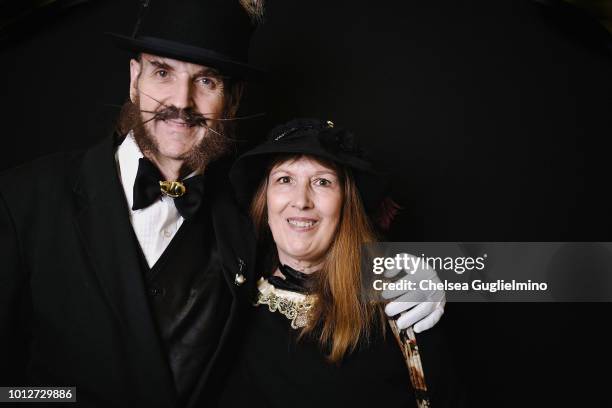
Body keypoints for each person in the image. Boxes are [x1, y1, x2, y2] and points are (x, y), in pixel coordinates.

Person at [0, 1, 444, 407]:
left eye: (206, 81)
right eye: (162, 72)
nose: (181, 101)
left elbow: (328, 256)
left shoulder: (248, 214)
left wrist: (433, 273)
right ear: (134, 79)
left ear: (232, 100)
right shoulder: (25, 197)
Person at [218, 119, 461, 408]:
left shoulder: (401, 305)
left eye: (322, 181)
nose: (301, 200)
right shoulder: (231, 300)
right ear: (265, 199)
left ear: (347, 203)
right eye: (285, 179)